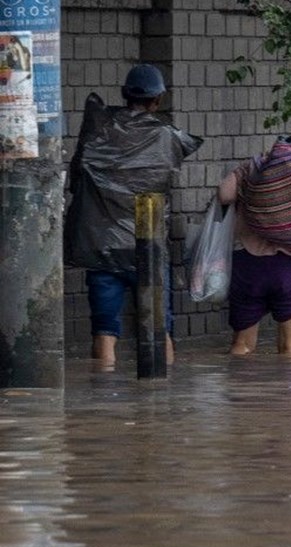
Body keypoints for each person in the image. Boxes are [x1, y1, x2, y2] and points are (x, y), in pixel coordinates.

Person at [64, 64, 202, 366]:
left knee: (104, 331)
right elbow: (188, 144)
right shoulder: (167, 137)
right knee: (159, 330)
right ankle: (161, 399)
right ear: (158, 100)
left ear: (125, 95)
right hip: (148, 248)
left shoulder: (98, 130)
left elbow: (76, 179)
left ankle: (103, 397)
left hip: (103, 248)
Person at [217, 137, 291, 356]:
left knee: (241, 346)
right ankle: (289, 388)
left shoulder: (256, 168)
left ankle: (238, 388)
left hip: (248, 265)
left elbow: (224, 195)